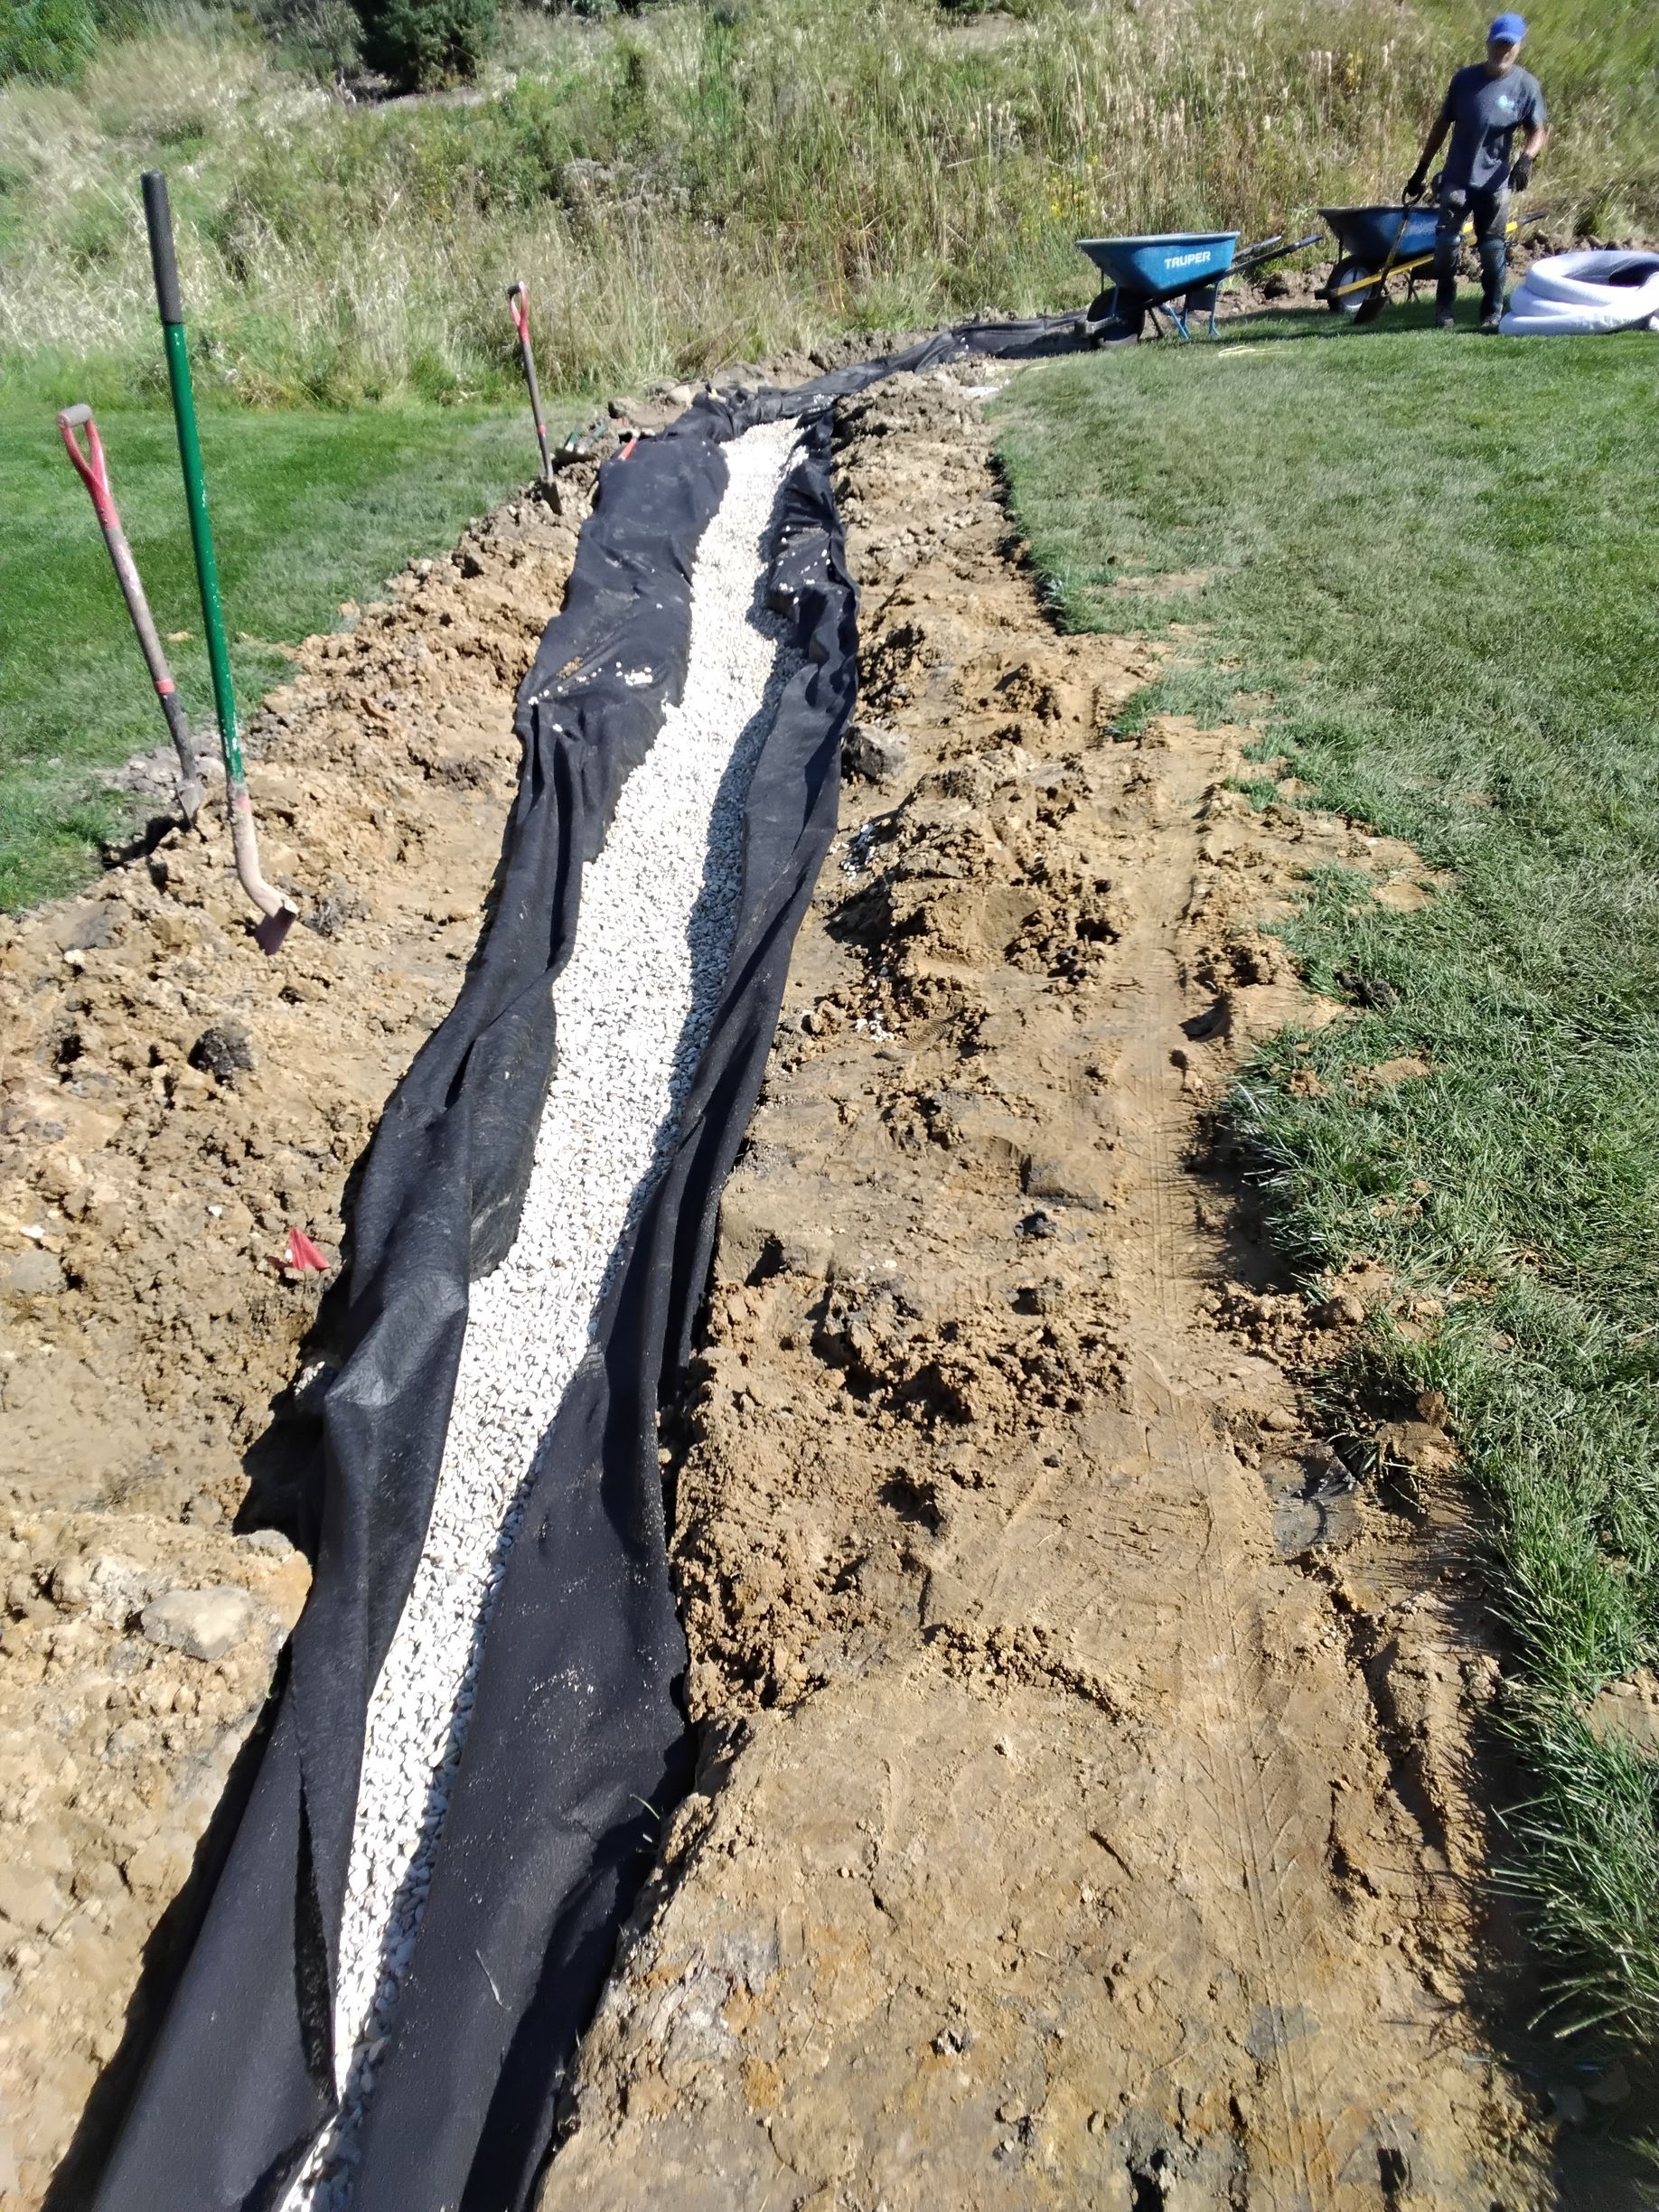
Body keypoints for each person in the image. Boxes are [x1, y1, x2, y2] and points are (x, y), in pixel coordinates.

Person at [1406, 13, 1548, 333]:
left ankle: (1491, 312)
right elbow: (1441, 126)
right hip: (1457, 178)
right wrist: (1421, 170)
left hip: (1495, 184)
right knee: (1446, 245)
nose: (1503, 50)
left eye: (1509, 45)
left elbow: (1538, 130)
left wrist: (1526, 159)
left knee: (1492, 248)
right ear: (1488, 43)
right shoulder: (1464, 80)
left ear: (1519, 47)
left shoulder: (1526, 86)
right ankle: (1444, 308)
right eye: (1498, 43)